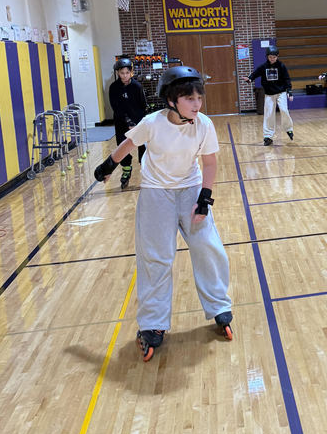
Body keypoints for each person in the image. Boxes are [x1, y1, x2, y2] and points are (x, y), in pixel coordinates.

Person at [93, 65, 233, 361]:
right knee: (156, 258)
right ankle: (152, 324)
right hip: (156, 194)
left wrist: (205, 198)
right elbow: (129, 143)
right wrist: (109, 165)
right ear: (172, 100)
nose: (197, 105)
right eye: (190, 99)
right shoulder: (152, 123)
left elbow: (209, 163)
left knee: (208, 247)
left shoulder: (204, 124)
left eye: (199, 98)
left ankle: (219, 305)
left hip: (191, 189)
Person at [108, 56, 147, 189]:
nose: (124, 76)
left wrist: (137, 122)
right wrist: (128, 121)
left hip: (138, 122)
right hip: (121, 123)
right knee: (122, 145)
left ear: (131, 72)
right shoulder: (114, 88)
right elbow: (116, 107)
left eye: (127, 73)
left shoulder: (137, 86)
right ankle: (126, 169)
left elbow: (143, 106)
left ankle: (146, 171)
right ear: (117, 73)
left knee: (142, 146)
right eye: (121, 73)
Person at [247, 46, 294, 146]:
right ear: (267, 56)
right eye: (270, 57)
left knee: (284, 110)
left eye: (274, 57)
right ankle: (268, 137)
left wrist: (289, 91)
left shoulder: (281, 66)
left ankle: (289, 129)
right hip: (269, 94)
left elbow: (287, 79)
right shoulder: (264, 66)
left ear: (277, 56)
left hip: (281, 92)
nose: (272, 59)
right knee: (268, 115)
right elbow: (255, 74)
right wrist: (250, 78)